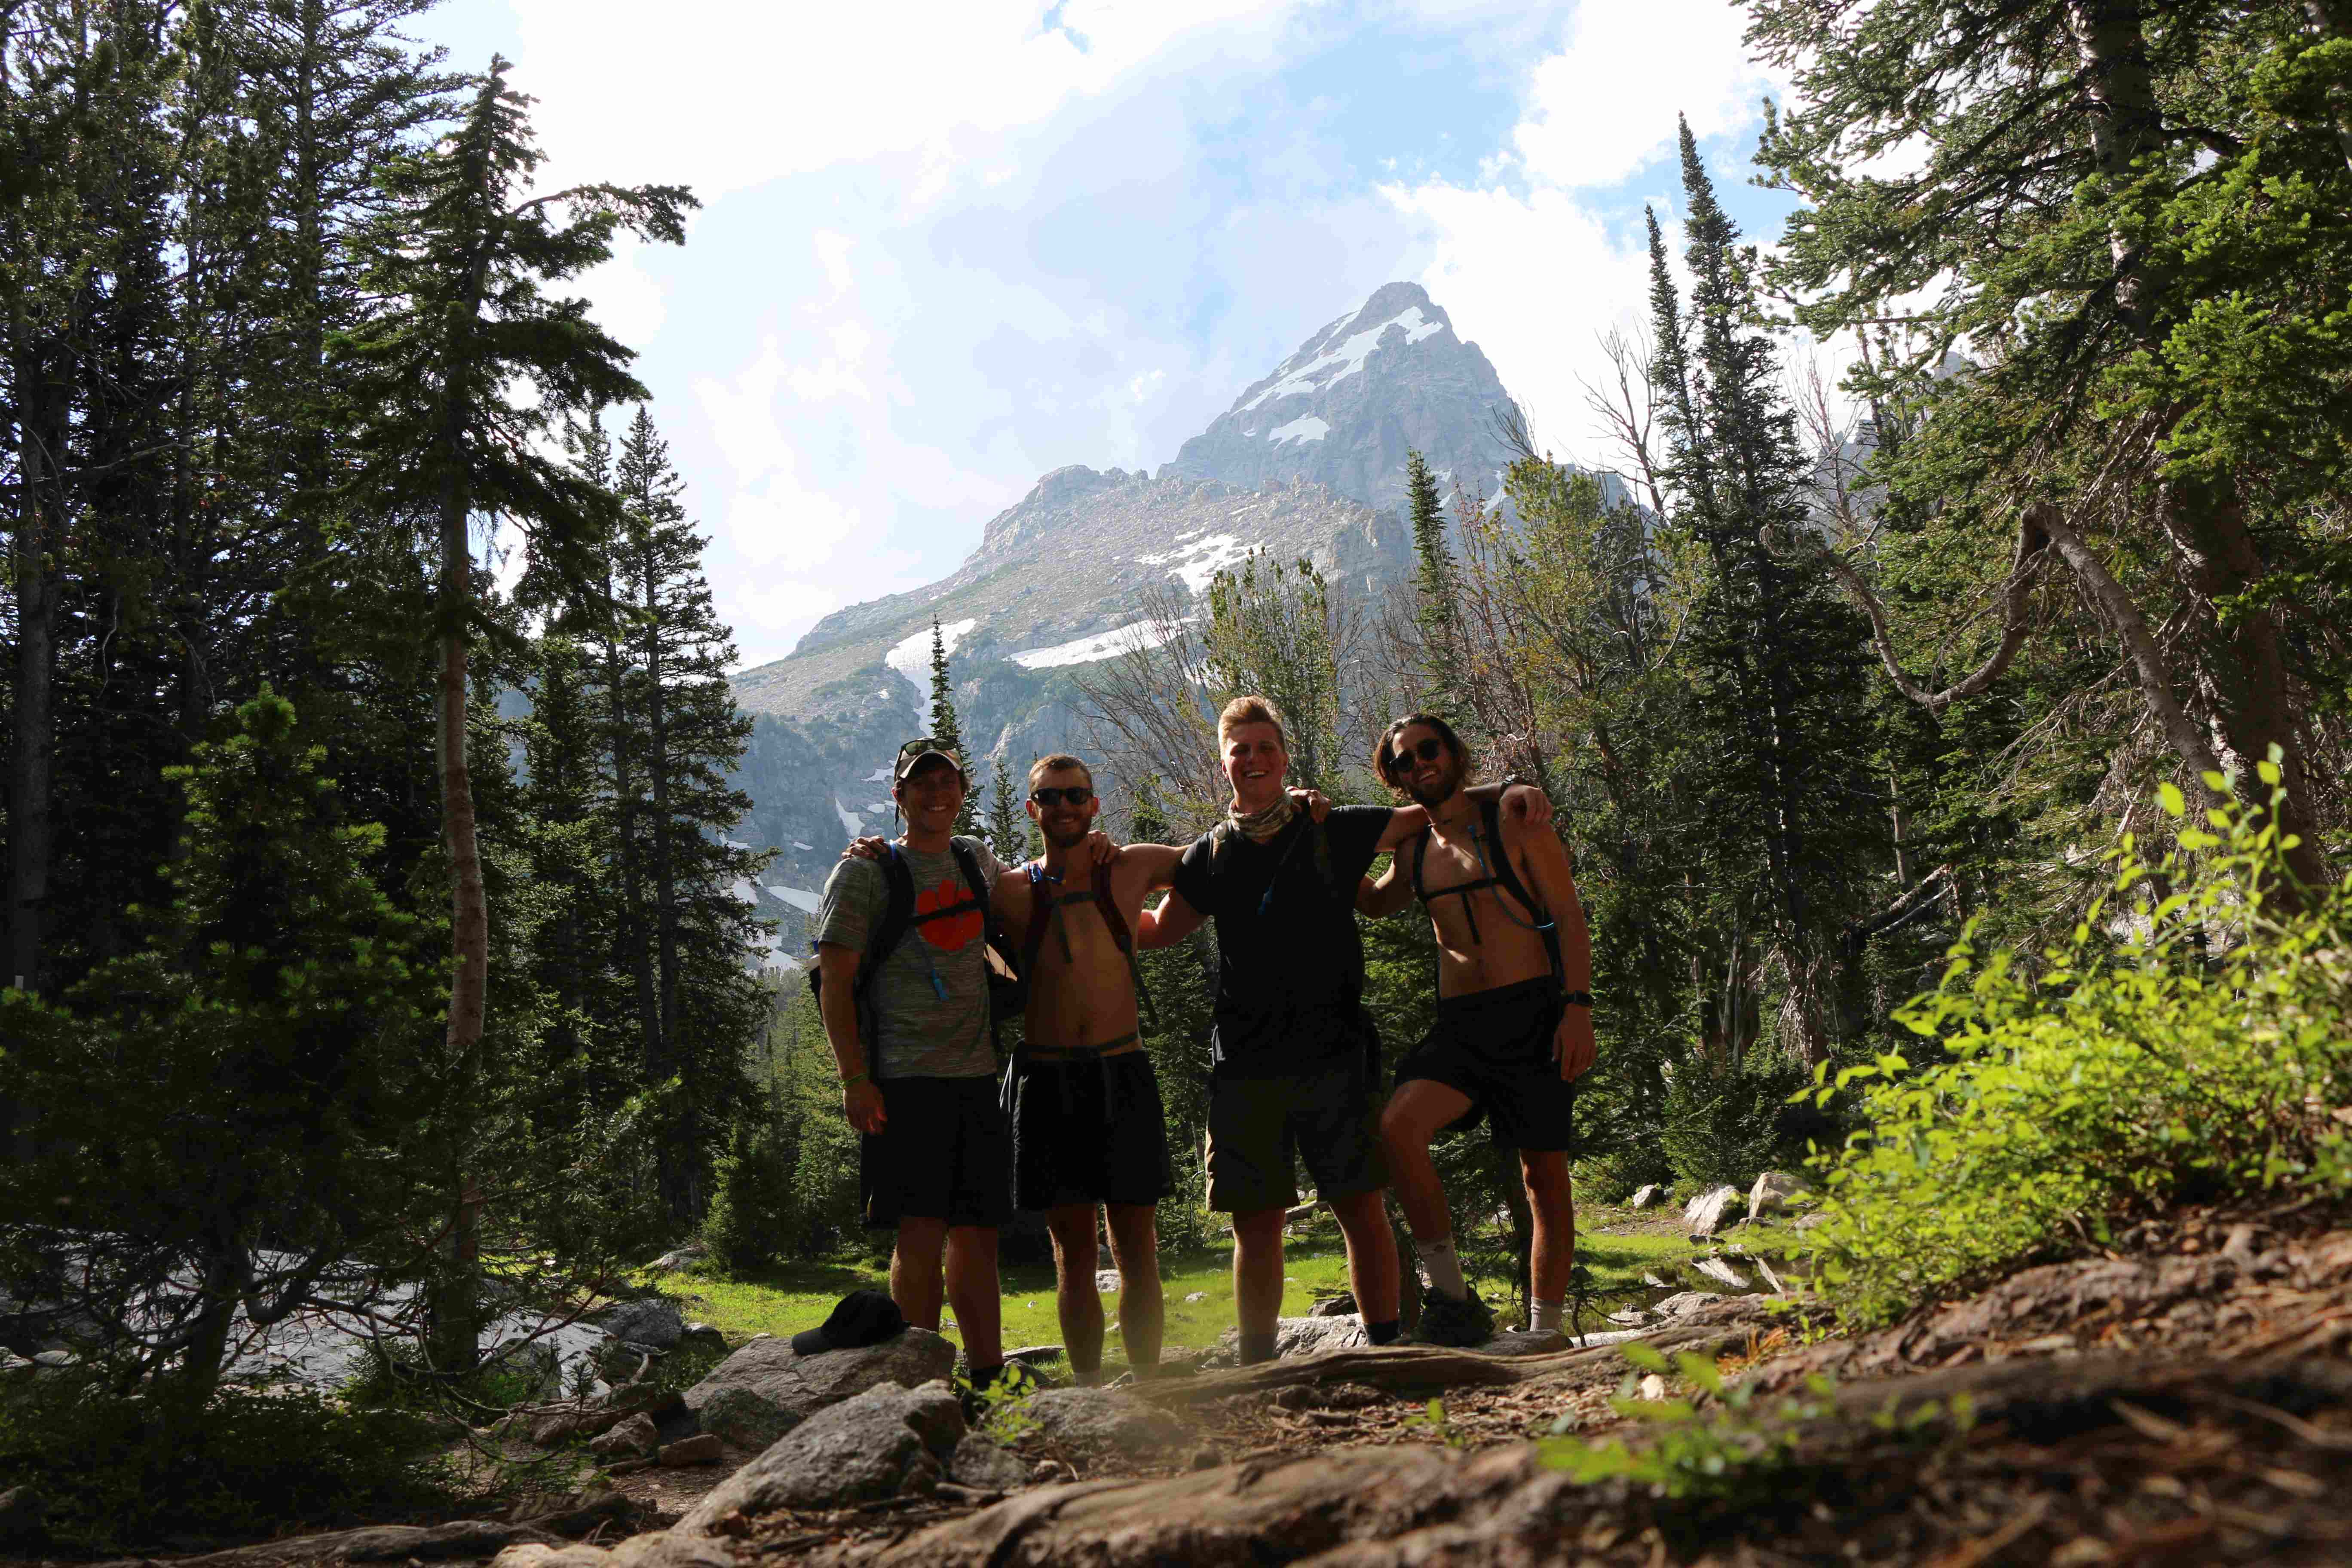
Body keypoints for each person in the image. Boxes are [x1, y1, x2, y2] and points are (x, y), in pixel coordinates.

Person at [1136, 695, 1550, 1363]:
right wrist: (1091, 893)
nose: (1255, 759)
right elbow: (1159, 930)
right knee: (1257, 1224)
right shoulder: (1209, 856)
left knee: (1360, 1206)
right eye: (1241, 749)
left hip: (1336, 1052)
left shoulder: (1339, 827)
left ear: (1284, 755)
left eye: (1265, 747)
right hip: (1244, 1062)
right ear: (1224, 763)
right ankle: (1257, 1360)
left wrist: (1510, 788)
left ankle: (1386, 1350)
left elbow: (1433, 808)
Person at [1357, 713, 1595, 1347]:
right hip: (1461, 1027)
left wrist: (1578, 1007)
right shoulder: (1413, 846)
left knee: (1542, 1175)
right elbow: (1378, 903)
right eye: (1404, 761)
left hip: (1536, 1011)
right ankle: (1455, 1300)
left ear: (1453, 753)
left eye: (1428, 750)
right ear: (1396, 777)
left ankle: (1544, 1329)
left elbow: (1569, 916)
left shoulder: (1515, 819)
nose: (1419, 765)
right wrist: (1319, 849)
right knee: (1399, 1127)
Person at [812, 738, 1017, 1393]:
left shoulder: (974, 859)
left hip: (977, 1074)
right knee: (921, 1232)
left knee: (979, 1235)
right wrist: (854, 1078)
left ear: (962, 791)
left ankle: (988, 1376)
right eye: (920, 784)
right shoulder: (864, 873)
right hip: (902, 1080)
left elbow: (1033, 886)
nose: (937, 794)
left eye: (947, 782)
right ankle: (921, 1382)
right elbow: (835, 984)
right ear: (898, 796)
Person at [990, 753, 1179, 1384]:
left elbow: (1220, 866)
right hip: (1046, 1080)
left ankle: (1149, 1387)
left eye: (1076, 796)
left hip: (1121, 1070)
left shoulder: (1131, 866)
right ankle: (1093, 1391)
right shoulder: (1010, 890)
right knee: (1072, 1254)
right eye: (1051, 797)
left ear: (1096, 804)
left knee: (1136, 1250)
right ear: (1031, 809)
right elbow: (933, 884)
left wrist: (1157, 927)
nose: (1065, 807)